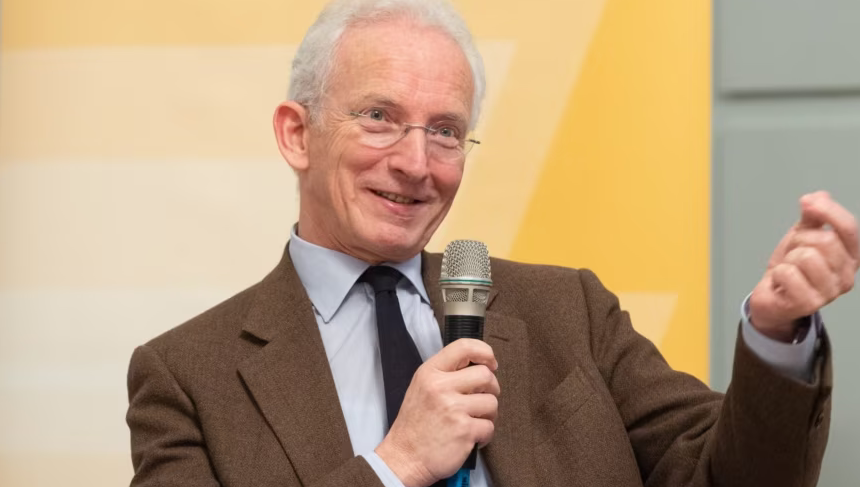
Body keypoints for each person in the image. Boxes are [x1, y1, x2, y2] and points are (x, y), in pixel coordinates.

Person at [125, 1, 859, 486]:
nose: (417, 162)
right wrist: (394, 465)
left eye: (446, 130)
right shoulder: (187, 376)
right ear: (297, 134)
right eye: (379, 117)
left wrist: (775, 333)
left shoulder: (569, 310)